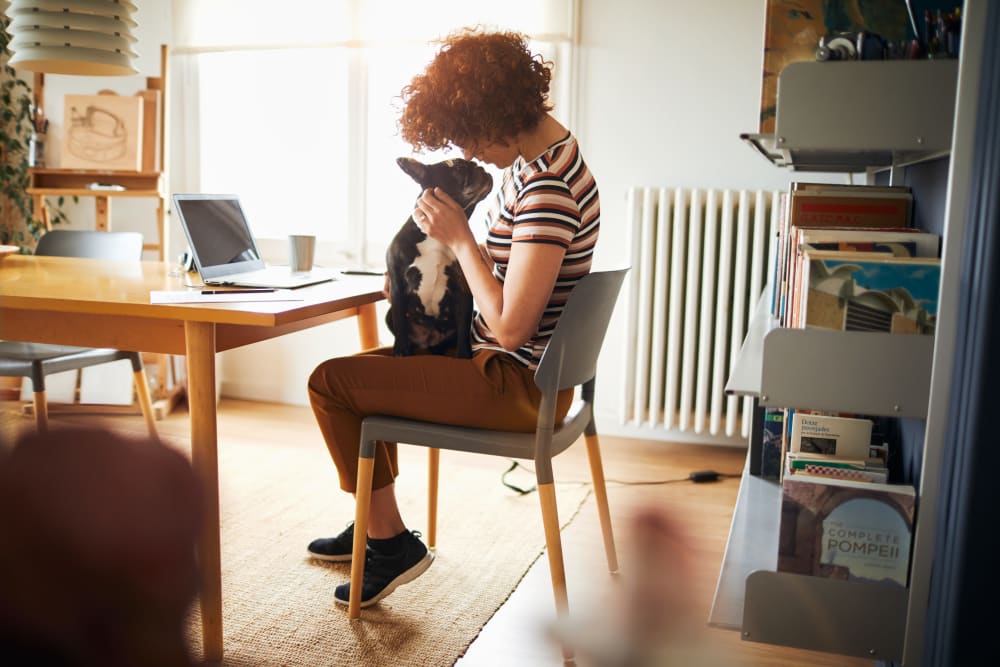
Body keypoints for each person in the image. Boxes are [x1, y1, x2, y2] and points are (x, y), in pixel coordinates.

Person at [306, 28, 600, 608]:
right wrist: (429, 265)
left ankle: (388, 543)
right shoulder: (544, 163)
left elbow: (513, 326)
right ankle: (375, 522)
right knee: (353, 377)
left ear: (494, 114)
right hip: (512, 369)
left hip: (512, 381)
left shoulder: (546, 189)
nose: (465, 153)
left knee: (330, 384)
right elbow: (510, 276)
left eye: (466, 136)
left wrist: (461, 240)